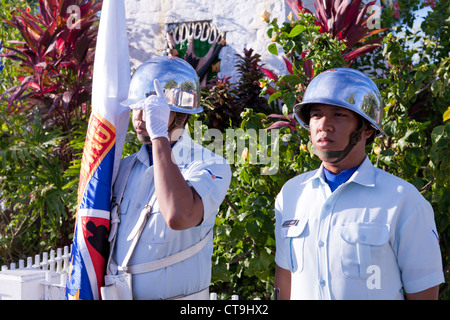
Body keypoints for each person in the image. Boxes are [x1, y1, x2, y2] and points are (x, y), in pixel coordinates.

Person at [274, 68, 444, 300]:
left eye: (339, 115)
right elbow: (285, 277)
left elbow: (423, 293)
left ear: (366, 128)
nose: (324, 125)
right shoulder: (292, 194)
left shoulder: (403, 200)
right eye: (316, 114)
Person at [104, 56, 231, 300]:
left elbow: (179, 215)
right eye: (136, 107)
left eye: (151, 108)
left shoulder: (210, 164)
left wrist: (159, 135)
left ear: (181, 113)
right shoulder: (124, 168)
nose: (140, 116)